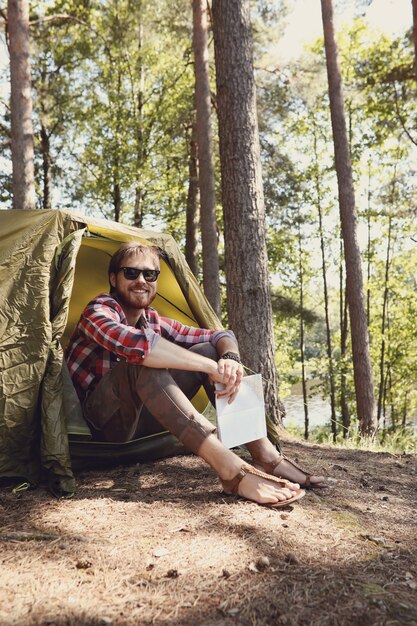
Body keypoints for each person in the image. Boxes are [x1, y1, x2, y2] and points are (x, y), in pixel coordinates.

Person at [65, 243, 325, 508]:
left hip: (145, 419)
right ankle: (232, 472)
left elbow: (222, 335)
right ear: (113, 278)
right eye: (131, 273)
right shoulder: (98, 310)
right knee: (143, 363)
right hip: (104, 425)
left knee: (210, 349)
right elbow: (138, 347)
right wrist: (210, 368)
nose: (141, 281)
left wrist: (229, 359)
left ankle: (266, 456)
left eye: (150, 275)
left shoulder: (153, 320)